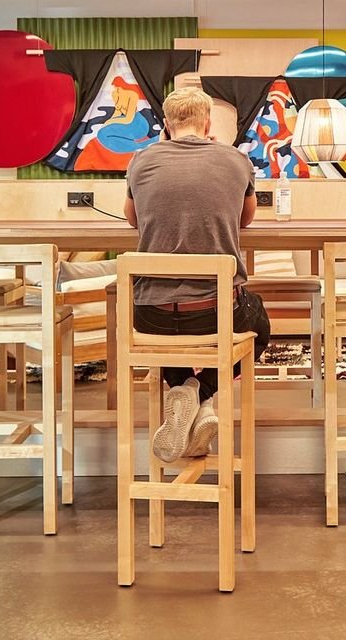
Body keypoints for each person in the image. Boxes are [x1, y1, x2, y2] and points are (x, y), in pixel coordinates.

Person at [124, 87, 271, 463]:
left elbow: (132, 218)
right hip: (214, 312)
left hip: (151, 316)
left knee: (168, 338)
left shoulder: (141, 160)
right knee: (259, 322)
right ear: (207, 123)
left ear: (166, 125)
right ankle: (201, 393)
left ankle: (186, 396)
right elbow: (245, 218)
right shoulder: (236, 159)